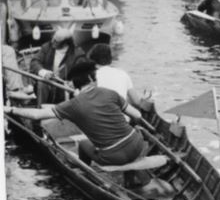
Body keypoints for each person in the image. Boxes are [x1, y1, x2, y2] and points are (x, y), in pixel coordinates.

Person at [3, 60, 153, 190]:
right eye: (95, 78)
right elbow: (138, 115)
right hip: (137, 144)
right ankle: (130, 178)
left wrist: (10, 109)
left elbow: (36, 115)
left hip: (114, 156)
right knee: (127, 133)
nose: (97, 81)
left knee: (82, 144)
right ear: (90, 78)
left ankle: (86, 176)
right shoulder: (109, 93)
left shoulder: (73, 105)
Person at [29, 28, 86, 104]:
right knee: (42, 83)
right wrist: (44, 72)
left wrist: (74, 82)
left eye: (56, 41)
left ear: (65, 43)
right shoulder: (47, 47)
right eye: (53, 38)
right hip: (48, 84)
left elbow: (84, 73)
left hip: (64, 89)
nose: (52, 42)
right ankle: (40, 110)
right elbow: (34, 61)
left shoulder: (78, 54)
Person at [87, 43, 145, 107]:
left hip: (98, 114)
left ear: (91, 59)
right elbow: (137, 102)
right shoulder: (123, 74)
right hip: (120, 114)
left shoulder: (89, 76)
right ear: (110, 59)